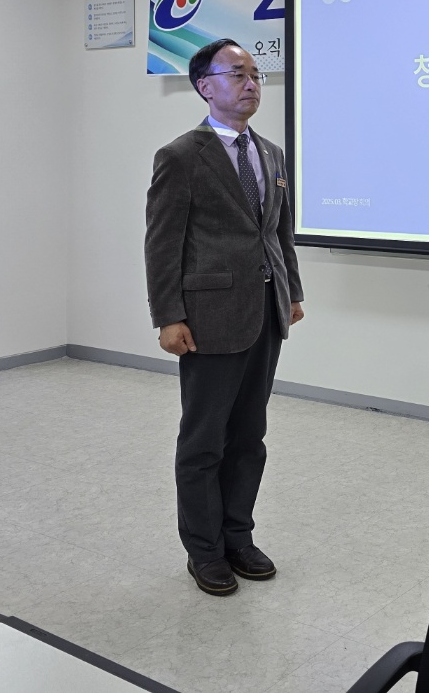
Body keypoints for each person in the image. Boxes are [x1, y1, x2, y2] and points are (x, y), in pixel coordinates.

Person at [145, 38, 305, 597]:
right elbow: (162, 243)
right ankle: (204, 550)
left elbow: (279, 232)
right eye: (238, 73)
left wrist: (291, 290)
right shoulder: (181, 156)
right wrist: (168, 315)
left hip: (266, 311)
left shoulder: (272, 155)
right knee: (204, 441)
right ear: (205, 86)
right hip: (209, 316)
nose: (252, 83)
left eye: (256, 74)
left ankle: (238, 536)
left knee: (249, 437)